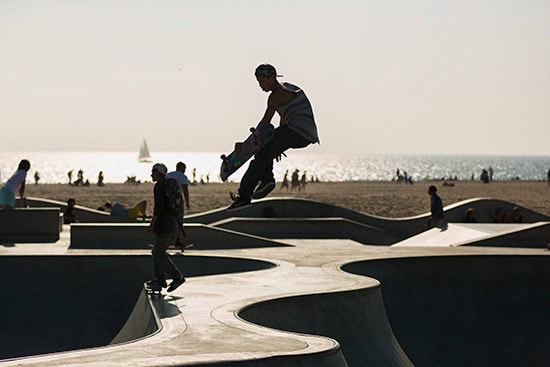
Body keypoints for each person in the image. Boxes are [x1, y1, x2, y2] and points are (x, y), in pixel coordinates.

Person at [227, 64, 320, 211]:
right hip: (304, 134)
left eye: (262, 81)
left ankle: (245, 196)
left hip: (297, 131)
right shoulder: (288, 88)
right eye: (258, 82)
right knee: (264, 152)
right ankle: (266, 181)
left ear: (272, 77)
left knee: (260, 154)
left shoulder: (275, 95)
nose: (260, 85)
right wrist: (277, 145)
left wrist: (246, 144)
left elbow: (265, 123)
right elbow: (284, 119)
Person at [146, 163, 185, 293]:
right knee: (156, 253)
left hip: (165, 225)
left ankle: (177, 277)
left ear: (159, 173)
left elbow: (159, 208)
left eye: (153, 172)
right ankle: (160, 281)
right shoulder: (167, 185)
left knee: (158, 253)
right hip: (169, 224)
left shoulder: (159, 186)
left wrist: (151, 224)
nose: (151, 174)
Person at [166, 162, 191, 247]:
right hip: (177, 201)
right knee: (179, 221)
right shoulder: (182, 176)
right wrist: (187, 202)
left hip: (167, 200)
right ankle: (177, 240)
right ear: (182, 168)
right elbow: (185, 190)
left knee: (168, 220)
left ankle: (166, 241)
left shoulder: (169, 175)